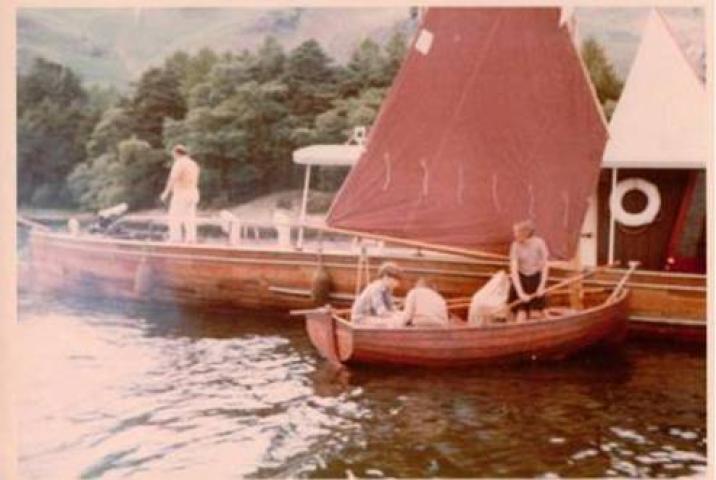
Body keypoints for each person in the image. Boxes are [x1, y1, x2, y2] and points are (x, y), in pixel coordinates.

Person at [507, 219, 549, 322]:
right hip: (521, 280)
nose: (514, 235)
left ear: (525, 233)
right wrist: (520, 293)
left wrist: (541, 287)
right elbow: (514, 271)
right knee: (520, 315)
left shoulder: (539, 243)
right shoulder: (515, 245)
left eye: (516, 232)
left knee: (536, 314)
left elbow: (545, 266)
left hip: (535, 279)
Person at [160, 145, 200, 243]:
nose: (173, 157)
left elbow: (173, 179)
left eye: (173, 154)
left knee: (174, 217)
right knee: (190, 218)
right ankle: (191, 239)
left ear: (177, 153)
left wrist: (165, 193)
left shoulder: (179, 163)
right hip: (193, 193)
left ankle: (175, 239)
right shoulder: (193, 164)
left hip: (181, 194)